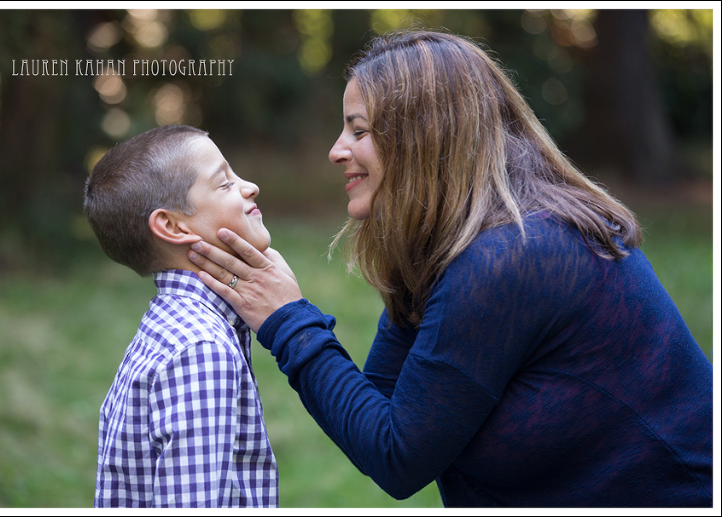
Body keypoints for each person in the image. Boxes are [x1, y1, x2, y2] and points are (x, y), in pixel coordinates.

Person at [186, 31, 713, 507]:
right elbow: (380, 415)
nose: (335, 150)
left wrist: (287, 319)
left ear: (424, 137)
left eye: (358, 130)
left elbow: (397, 457)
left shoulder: (516, 255)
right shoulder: (459, 246)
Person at [84, 124, 278, 507]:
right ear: (172, 226)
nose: (250, 186)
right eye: (224, 183)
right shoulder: (201, 349)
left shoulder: (172, 326)